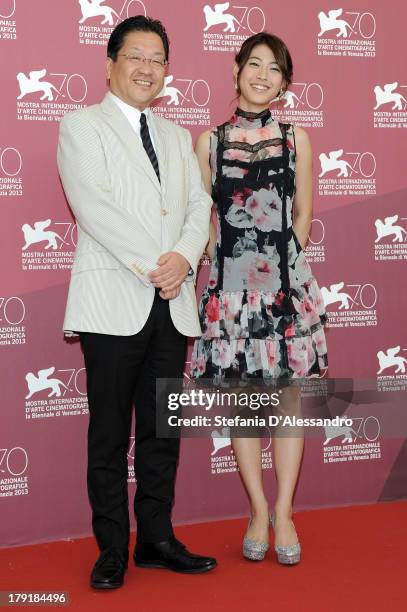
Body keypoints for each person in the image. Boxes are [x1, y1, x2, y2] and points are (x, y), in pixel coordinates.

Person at [57, 16, 216, 589]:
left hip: (171, 305)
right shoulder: (82, 126)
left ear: (167, 70)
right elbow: (95, 209)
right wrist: (160, 266)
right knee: (109, 434)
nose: (148, 68)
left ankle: (155, 538)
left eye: (158, 59)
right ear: (111, 64)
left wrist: (183, 257)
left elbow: (200, 205)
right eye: (136, 57)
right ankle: (110, 548)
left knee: (160, 431)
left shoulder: (176, 135)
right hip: (114, 300)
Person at [190, 32, 328, 565]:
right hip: (231, 292)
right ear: (236, 71)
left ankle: (286, 513)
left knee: (288, 403)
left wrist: (281, 273)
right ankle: (256, 511)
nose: (263, 75)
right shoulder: (211, 142)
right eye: (254, 64)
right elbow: (198, 218)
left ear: (285, 84)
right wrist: (221, 267)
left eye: (275, 69)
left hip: (286, 290)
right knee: (247, 407)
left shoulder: (297, 139)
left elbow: (304, 219)